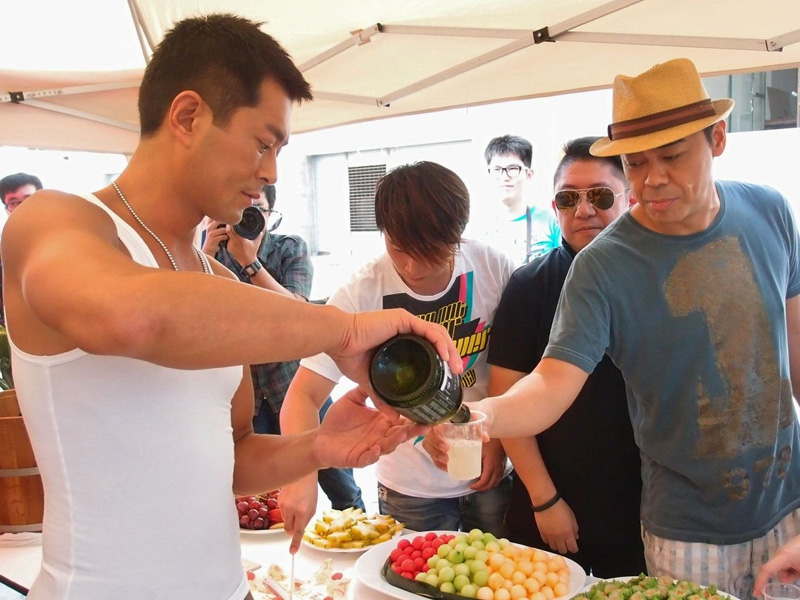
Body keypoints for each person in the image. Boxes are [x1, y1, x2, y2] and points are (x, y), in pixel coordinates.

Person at [1, 14, 462, 600]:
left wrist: (316, 447)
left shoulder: (215, 280)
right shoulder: (56, 220)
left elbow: (235, 453)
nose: (270, 172)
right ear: (188, 116)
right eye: (263, 143)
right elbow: (135, 317)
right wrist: (341, 330)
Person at [426, 58, 800, 600]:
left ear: (717, 138)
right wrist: (479, 416)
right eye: (636, 161)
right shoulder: (603, 265)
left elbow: (794, 348)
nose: (652, 178)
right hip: (688, 527)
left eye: (672, 155)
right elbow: (551, 383)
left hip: (788, 505)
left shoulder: (770, 211)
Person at [279, 161, 514, 552]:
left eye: (430, 252)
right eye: (399, 249)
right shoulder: (359, 294)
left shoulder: (493, 267)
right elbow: (302, 396)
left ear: (457, 234)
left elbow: (518, 371)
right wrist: (300, 477)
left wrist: (499, 440)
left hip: (490, 469)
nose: (411, 267)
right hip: (411, 490)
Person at [489, 136, 644, 577]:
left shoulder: (655, 278)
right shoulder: (529, 286)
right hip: (553, 503)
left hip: (643, 508)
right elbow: (507, 399)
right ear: (554, 207)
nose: (584, 209)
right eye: (568, 198)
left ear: (629, 198)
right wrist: (545, 499)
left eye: (600, 195)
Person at [203, 183, 364, 511]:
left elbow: (299, 313)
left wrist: (251, 264)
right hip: (248, 400)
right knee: (265, 500)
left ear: (270, 215)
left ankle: (356, 534)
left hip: (295, 383)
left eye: (257, 210)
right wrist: (204, 255)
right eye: (241, 210)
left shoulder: (289, 248)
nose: (247, 218)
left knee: (341, 484)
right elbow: (195, 315)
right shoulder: (210, 255)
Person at [483, 135, 561, 265]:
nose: (505, 177)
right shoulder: (480, 229)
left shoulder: (551, 221)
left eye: (513, 169)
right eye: (497, 169)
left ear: (529, 174)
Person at [0, 173, 42, 327]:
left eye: (29, 199)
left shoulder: (67, 238)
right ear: (7, 209)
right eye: (14, 202)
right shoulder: (4, 249)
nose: (23, 207)